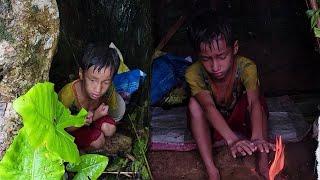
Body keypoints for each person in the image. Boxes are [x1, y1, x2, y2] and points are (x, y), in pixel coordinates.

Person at [185, 11, 275, 180]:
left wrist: (256, 137)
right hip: (214, 125)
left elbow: (254, 103)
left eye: (221, 57)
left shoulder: (246, 67)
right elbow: (208, 107)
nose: (215, 66)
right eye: (206, 59)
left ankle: (263, 164)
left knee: (259, 101)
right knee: (194, 104)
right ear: (198, 56)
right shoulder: (193, 73)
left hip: (240, 120)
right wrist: (232, 141)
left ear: (234, 48)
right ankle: (212, 171)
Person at [58, 43, 126, 152]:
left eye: (106, 82)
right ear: (81, 74)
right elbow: (62, 127)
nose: (98, 89)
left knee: (110, 129)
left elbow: (113, 114)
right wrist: (94, 117)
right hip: (75, 127)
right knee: (98, 141)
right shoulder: (68, 96)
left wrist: (98, 117)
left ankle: (97, 137)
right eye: (93, 80)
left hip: (94, 119)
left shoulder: (109, 90)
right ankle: (83, 149)